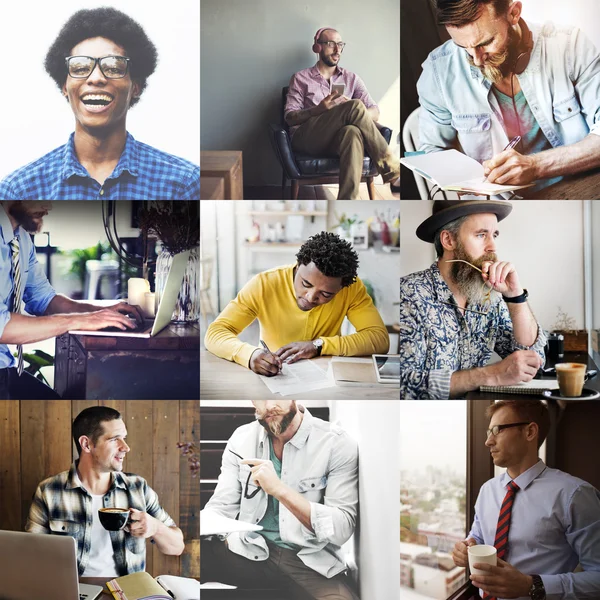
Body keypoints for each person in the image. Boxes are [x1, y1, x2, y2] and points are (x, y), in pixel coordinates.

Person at [0, 7, 199, 200]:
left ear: (135, 87)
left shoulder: (183, 184)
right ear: (64, 86)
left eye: (113, 67)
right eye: (80, 67)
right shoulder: (19, 191)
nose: (96, 78)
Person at [417, 0, 600, 192]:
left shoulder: (570, 46)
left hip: (580, 187)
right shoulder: (437, 72)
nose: (477, 60)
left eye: (486, 43)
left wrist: (536, 166)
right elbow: (433, 154)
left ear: (514, 13)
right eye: (462, 46)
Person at [202, 400, 360, 600]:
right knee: (180, 552)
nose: (269, 406)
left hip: (307, 561)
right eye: (260, 398)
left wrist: (279, 490)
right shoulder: (241, 438)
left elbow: (341, 529)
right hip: (246, 550)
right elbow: (222, 506)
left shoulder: (336, 444)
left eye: (275, 396)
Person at [452, 400, 600, 599]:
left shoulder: (575, 495)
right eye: (488, 432)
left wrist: (533, 586)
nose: (488, 441)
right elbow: (478, 537)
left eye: (497, 430)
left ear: (530, 432)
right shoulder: (488, 490)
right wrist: (466, 548)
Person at [400, 200, 546, 399]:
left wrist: (515, 296)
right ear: (448, 240)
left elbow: (533, 358)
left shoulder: (490, 297)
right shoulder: (410, 293)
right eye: (481, 235)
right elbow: (406, 384)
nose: (492, 247)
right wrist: (491, 375)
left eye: (494, 235)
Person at [0, 201, 144, 399]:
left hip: (5, 366)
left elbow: (45, 300)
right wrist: (77, 321)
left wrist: (97, 313)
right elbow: (2, 327)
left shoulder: (22, 240)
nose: (49, 205)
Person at [26, 406, 184, 576]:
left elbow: (177, 547)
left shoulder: (138, 488)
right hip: (72, 592)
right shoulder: (49, 491)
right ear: (86, 444)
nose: (126, 447)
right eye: (115, 439)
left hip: (128, 592)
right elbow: (32, 556)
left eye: (124, 438)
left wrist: (156, 528)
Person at [204, 231, 389, 376]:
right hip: (273, 376)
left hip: (327, 378)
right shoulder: (264, 284)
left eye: (325, 294)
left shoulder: (352, 288)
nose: (310, 297)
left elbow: (379, 339)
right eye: (305, 284)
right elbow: (215, 333)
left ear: (341, 288)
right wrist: (249, 355)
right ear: (298, 264)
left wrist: (319, 345)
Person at [285, 27, 400, 199]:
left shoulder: (351, 78)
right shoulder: (300, 78)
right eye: (331, 44)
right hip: (306, 138)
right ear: (318, 47)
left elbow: (375, 112)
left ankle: (347, 202)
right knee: (354, 107)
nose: (337, 49)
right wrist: (318, 110)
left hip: (336, 140)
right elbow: (289, 118)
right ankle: (394, 172)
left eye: (340, 44)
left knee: (351, 132)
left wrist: (351, 112)